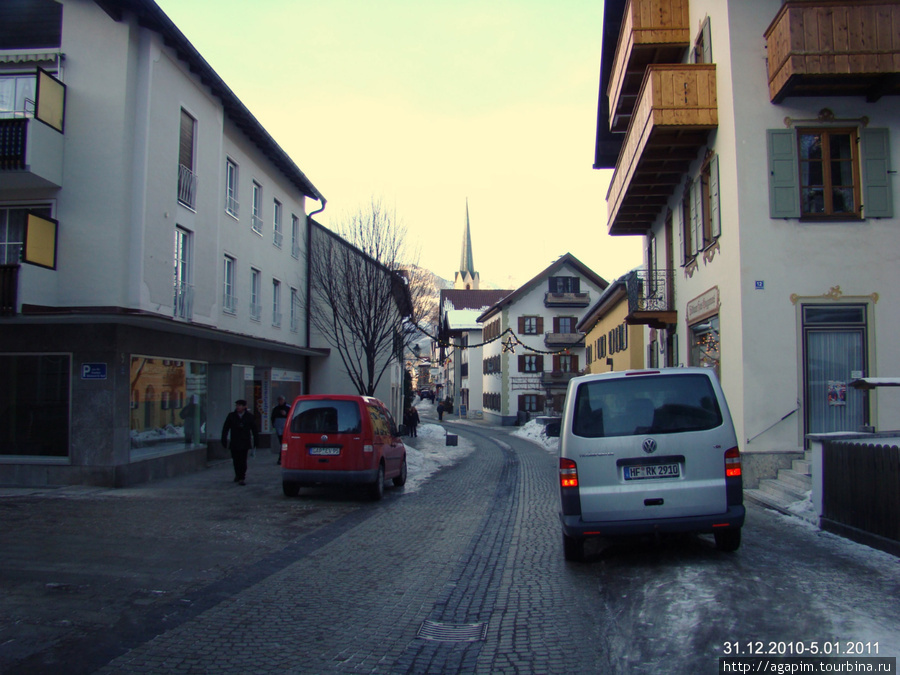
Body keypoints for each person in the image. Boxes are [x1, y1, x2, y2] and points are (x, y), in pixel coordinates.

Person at [221, 399, 259, 485]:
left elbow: (254, 430)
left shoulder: (249, 417)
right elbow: (225, 428)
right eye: (237, 405)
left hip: (244, 441)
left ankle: (242, 477)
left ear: (244, 407)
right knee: (236, 460)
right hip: (234, 441)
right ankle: (237, 475)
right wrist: (224, 439)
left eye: (240, 405)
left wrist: (256, 441)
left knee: (243, 460)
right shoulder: (231, 416)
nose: (238, 407)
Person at [270, 395, 291, 465]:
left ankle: (282, 458)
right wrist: (274, 426)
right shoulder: (276, 409)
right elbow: (272, 417)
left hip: (286, 428)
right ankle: (282, 458)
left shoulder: (288, 408)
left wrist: (286, 414)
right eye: (279, 400)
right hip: (278, 428)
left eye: (281, 400)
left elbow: (292, 416)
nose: (280, 401)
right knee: (282, 443)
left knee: (284, 443)